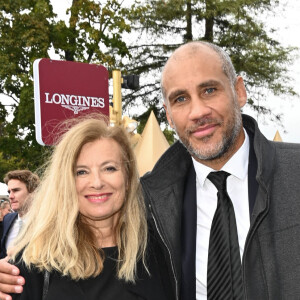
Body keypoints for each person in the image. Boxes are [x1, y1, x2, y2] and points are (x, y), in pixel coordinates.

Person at [0, 40, 300, 299]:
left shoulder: (294, 173)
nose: (198, 112)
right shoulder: (155, 199)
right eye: (180, 99)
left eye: (209, 90)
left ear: (239, 91)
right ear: (168, 114)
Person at [2, 116, 170, 300]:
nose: (97, 183)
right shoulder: (36, 260)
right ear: (66, 182)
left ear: (128, 178)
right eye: (81, 172)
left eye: (109, 168)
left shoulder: (160, 248)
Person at [0, 170, 40, 258]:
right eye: (9, 192)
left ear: (33, 192)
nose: (10, 196)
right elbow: (3, 252)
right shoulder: (7, 219)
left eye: (16, 190)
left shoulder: (45, 222)